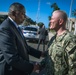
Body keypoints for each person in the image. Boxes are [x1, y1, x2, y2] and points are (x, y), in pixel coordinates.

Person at [0, 2, 43, 75]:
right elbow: (11, 58)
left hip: (18, 69)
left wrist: (41, 53)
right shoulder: (6, 28)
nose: (25, 16)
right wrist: (32, 67)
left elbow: (25, 47)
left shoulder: (16, 27)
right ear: (14, 14)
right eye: (23, 13)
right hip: (10, 71)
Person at [38, 10, 76, 75]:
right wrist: (39, 65)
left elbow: (73, 69)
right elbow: (49, 57)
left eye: (52, 19)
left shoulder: (70, 40)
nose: (50, 21)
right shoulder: (53, 38)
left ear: (60, 21)